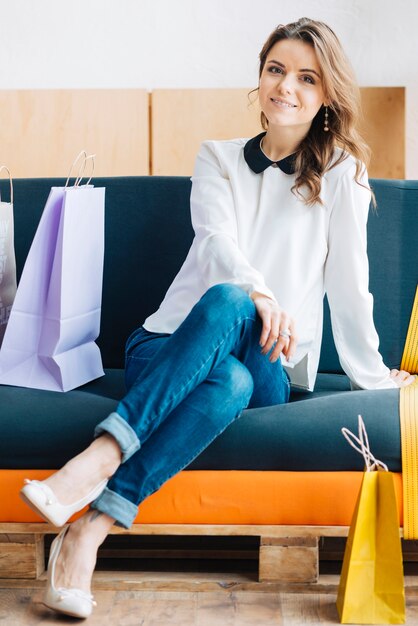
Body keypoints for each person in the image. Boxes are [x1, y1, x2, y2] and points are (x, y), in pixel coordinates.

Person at [20, 17, 416, 618]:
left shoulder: (342, 176)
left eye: (306, 78)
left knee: (238, 329)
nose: (286, 86)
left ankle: (98, 458)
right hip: (170, 345)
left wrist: (372, 376)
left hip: (271, 363)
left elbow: (350, 287)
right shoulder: (218, 158)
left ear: (327, 95)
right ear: (259, 78)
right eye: (276, 70)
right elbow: (215, 244)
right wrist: (260, 294)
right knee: (227, 341)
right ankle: (90, 530)